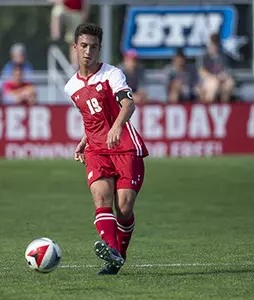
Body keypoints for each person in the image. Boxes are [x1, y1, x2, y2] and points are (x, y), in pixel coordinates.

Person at [64, 23, 149, 275]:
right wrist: (83, 140)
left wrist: (116, 127)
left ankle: (119, 255)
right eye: (83, 46)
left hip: (124, 146)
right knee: (102, 198)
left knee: (124, 208)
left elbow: (128, 105)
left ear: (99, 48)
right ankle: (111, 251)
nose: (88, 51)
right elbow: (92, 116)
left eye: (93, 46)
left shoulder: (112, 74)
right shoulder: (71, 87)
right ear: (75, 47)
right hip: (96, 150)